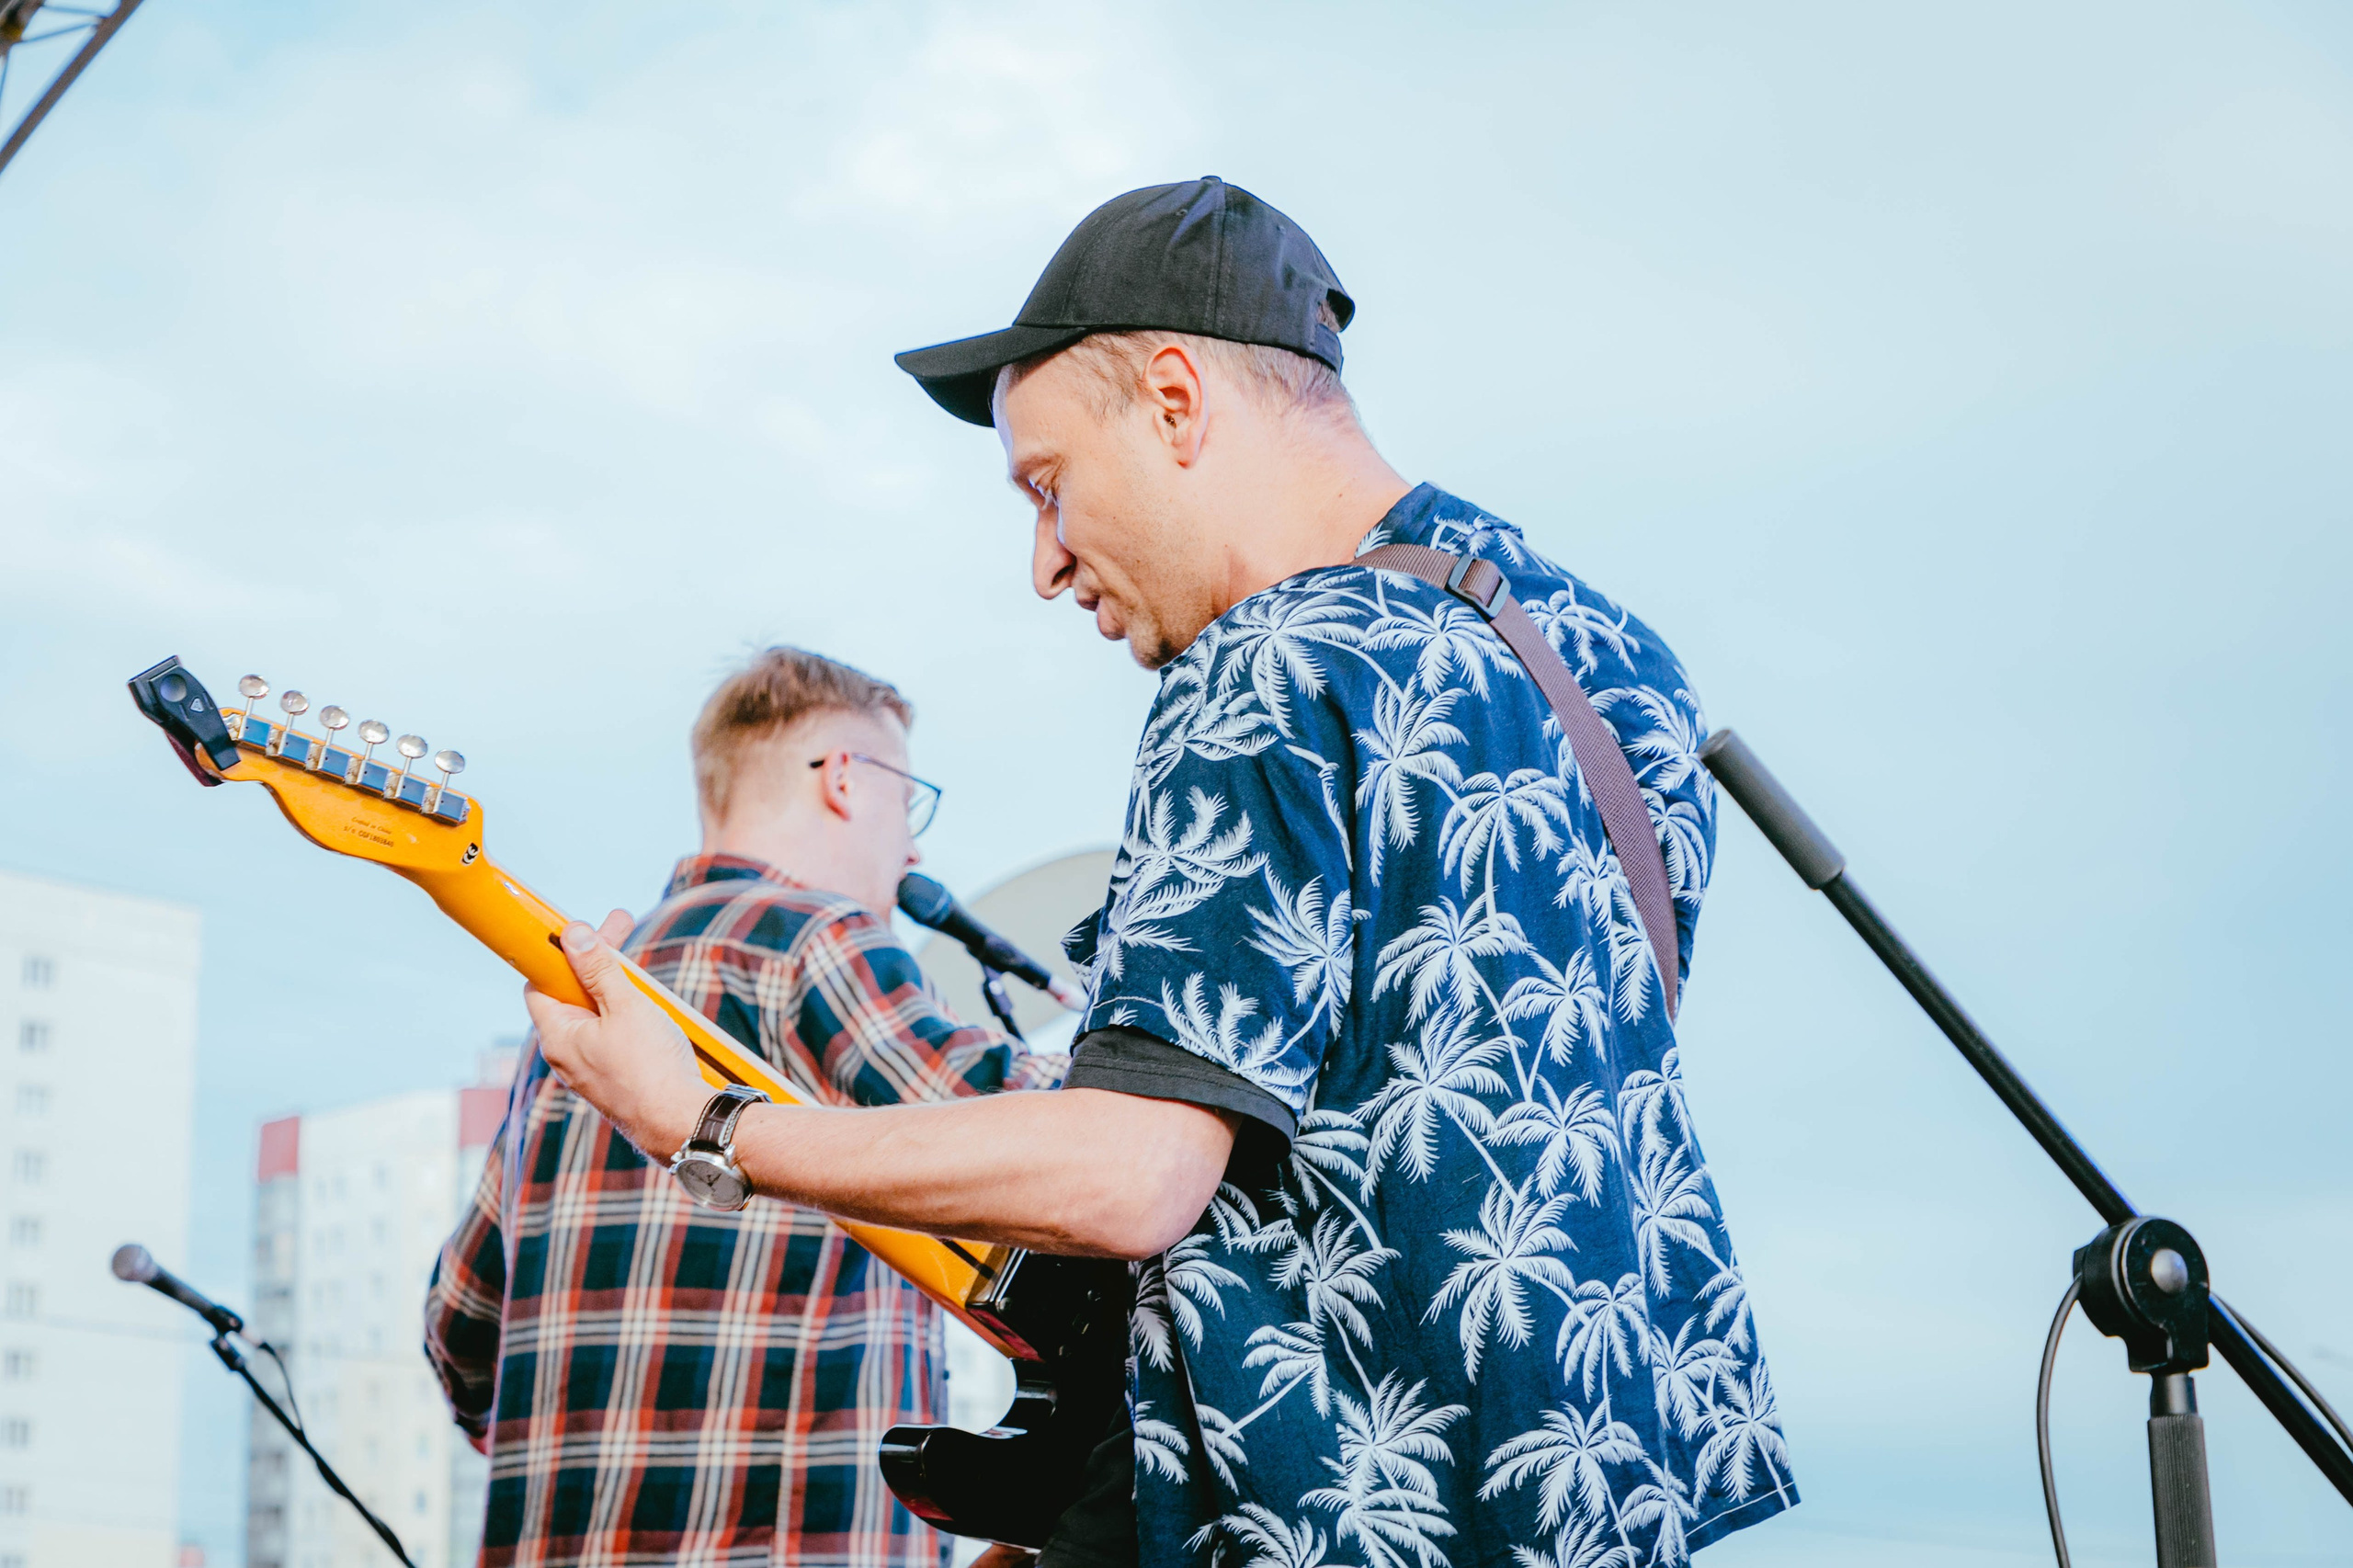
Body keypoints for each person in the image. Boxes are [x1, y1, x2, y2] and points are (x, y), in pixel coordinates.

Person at [526, 177, 1794, 1568]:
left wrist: (708, 1126)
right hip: (1600, 1506)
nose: (1044, 561)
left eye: (1049, 485)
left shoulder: (1270, 662)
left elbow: (1135, 1172)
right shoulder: (1615, 665)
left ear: (1177, 402)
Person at [424, 648, 1064, 1568]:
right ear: (846, 778)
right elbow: (1034, 1134)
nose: (914, 847)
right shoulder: (824, 939)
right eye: (907, 804)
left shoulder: (577, 1013)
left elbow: (459, 1327)